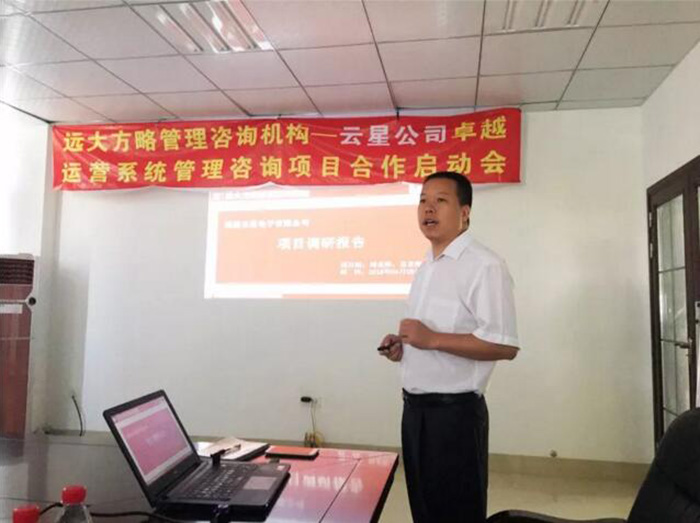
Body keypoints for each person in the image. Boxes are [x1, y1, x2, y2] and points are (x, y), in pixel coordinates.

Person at [379, 171, 519, 523]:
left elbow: (504, 345)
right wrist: (403, 346)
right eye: (423, 201)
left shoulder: (485, 265)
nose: (428, 209)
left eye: (440, 200)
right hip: (415, 413)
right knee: (424, 511)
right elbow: (428, 335)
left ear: (465, 212)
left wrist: (432, 339)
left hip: (454, 417)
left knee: (457, 513)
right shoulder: (426, 267)